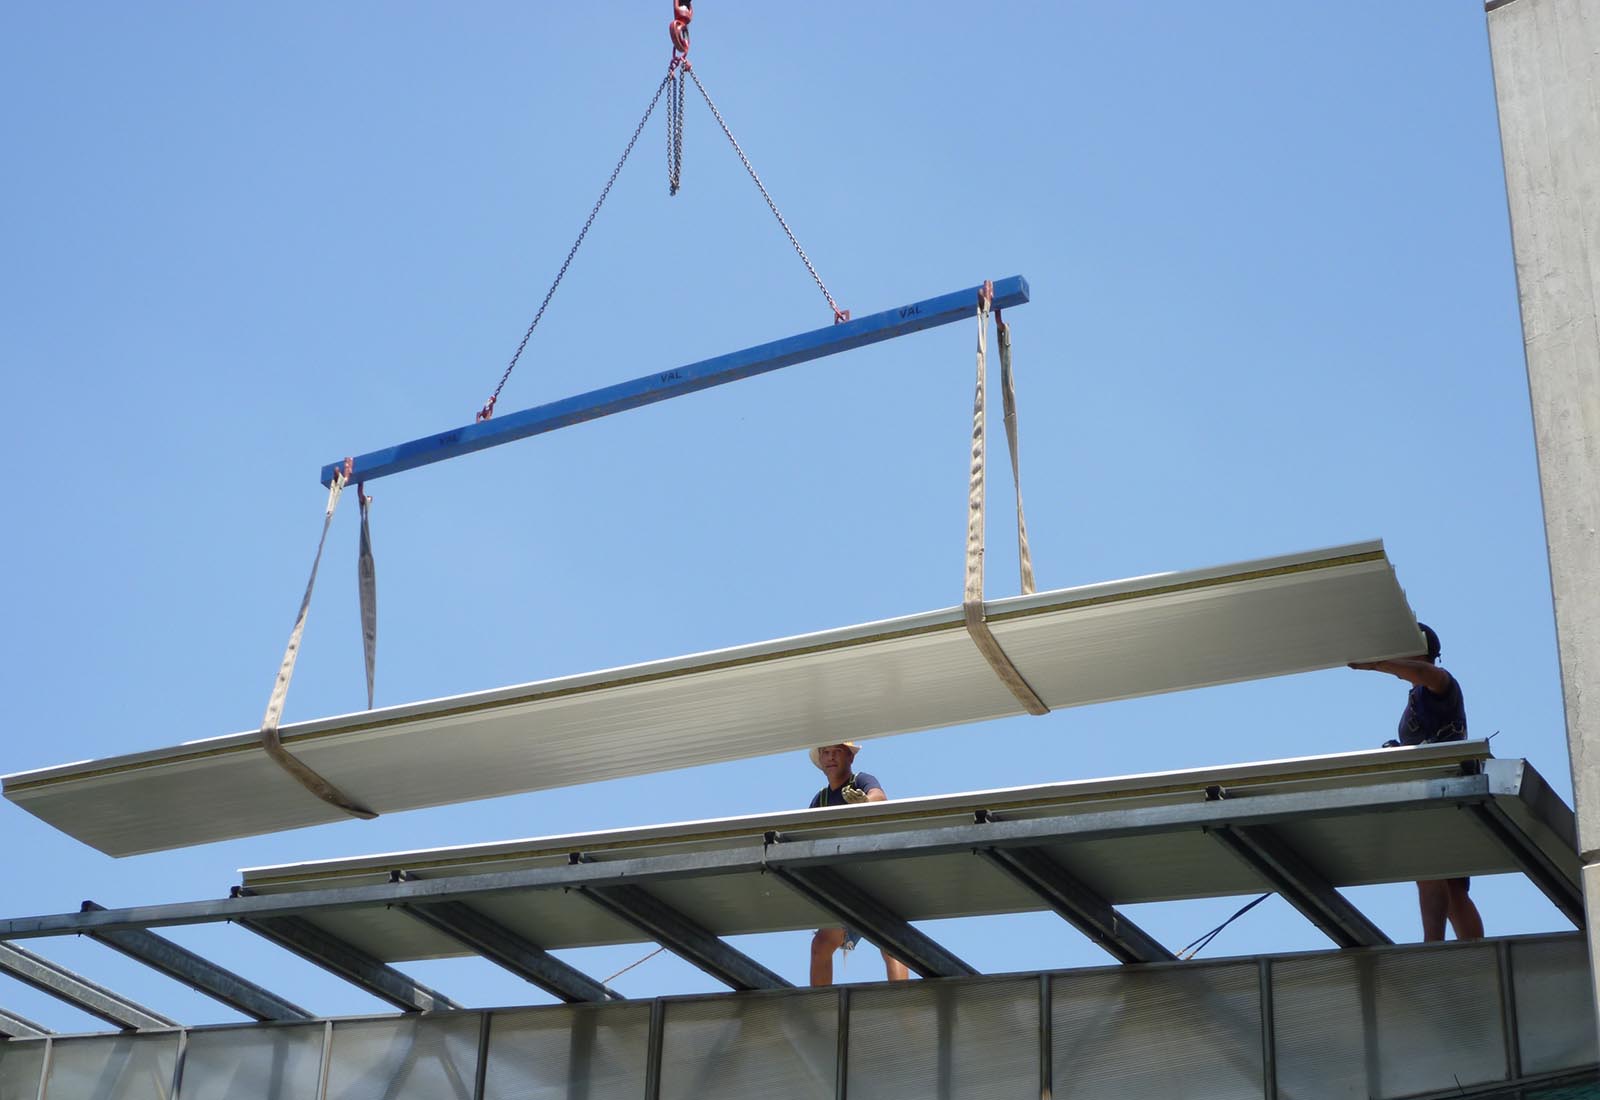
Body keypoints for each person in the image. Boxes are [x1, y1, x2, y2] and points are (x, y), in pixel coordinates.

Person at [1349, 622, 1485, 942]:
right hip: (1441, 790)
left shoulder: (1441, 684)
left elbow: (1427, 674)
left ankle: (1432, 947)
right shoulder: (1417, 695)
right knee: (1451, 885)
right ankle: (1475, 950)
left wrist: (1377, 663)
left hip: (1443, 789)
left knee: (1427, 868)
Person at [806, 742, 911, 985]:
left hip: (874, 878)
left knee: (890, 944)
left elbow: (879, 798)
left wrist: (865, 804)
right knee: (821, 944)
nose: (831, 757)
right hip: (845, 885)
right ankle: (823, 1012)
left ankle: (906, 1010)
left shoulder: (861, 781)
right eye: (826, 753)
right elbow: (806, 837)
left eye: (837, 752)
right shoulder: (820, 800)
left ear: (850, 758)